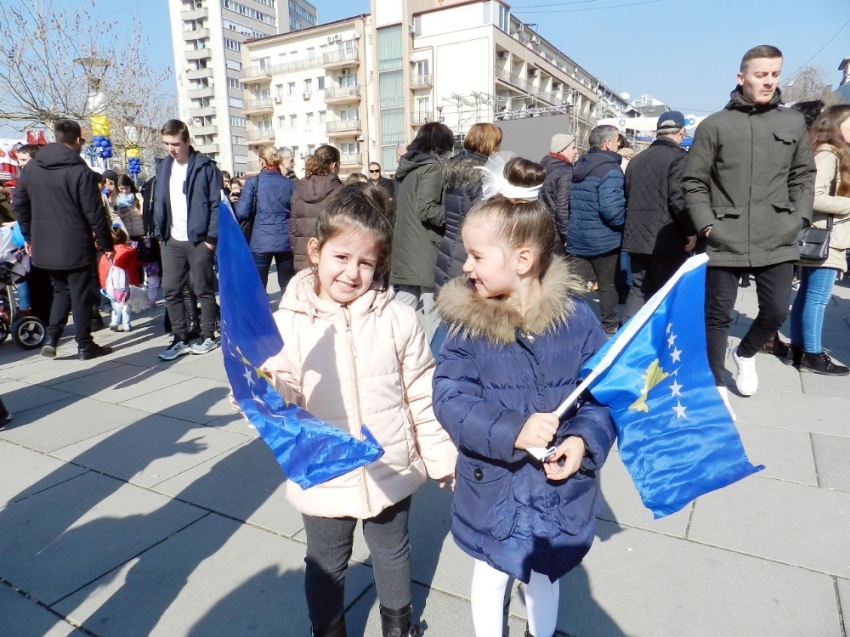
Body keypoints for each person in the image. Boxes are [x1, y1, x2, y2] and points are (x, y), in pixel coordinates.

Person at [260, 183, 457, 637]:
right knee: (326, 561)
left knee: (392, 551)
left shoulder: (398, 318)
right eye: (341, 257)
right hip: (325, 467)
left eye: (365, 262)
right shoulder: (289, 322)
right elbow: (283, 381)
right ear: (316, 251)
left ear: (379, 265)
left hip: (388, 460)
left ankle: (399, 625)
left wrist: (440, 456)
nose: (352, 272)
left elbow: (422, 392)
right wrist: (267, 389)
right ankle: (327, 630)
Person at [433, 156, 615, 637]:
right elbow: (451, 397)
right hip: (493, 485)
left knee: (544, 574)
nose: (465, 266)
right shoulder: (465, 325)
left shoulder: (577, 321)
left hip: (557, 488)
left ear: (522, 260)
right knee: (491, 573)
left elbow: (601, 397)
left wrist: (582, 442)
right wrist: (513, 430)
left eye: (476, 255)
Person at [682, 45, 815, 402]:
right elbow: (693, 181)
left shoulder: (791, 122)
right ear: (742, 78)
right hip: (725, 235)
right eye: (761, 75)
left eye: (774, 74)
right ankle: (716, 384)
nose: (769, 82)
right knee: (717, 316)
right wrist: (708, 227)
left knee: (775, 310)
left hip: (778, 234)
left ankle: (745, 353)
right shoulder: (715, 126)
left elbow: (804, 175)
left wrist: (799, 217)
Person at [13, 119, 114, 360]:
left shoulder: (32, 169)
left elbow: (19, 204)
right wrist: (106, 244)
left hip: (44, 244)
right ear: (78, 140)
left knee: (61, 291)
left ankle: (51, 338)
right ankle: (84, 343)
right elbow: (95, 213)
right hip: (75, 242)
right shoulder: (80, 171)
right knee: (79, 294)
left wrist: (28, 235)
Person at [785, 105, 850, 375]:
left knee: (807, 295)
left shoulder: (831, 153)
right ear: (836, 125)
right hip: (827, 239)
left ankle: (799, 348)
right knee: (818, 298)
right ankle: (812, 354)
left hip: (825, 236)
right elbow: (813, 197)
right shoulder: (828, 154)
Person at [153, 119, 222, 360]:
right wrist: (159, 233)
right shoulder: (163, 167)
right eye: (166, 144)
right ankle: (180, 337)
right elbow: (158, 202)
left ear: (187, 141)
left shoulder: (205, 167)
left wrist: (211, 237)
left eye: (175, 144)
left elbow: (216, 204)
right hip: (171, 238)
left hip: (199, 239)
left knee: (202, 289)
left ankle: (208, 335)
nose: (171, 149)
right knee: (171, 290)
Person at [621, 110, 697, 321]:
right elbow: (679, 199)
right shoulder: (680, 158)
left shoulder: (636, 160)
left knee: (638, 289)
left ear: (657, 132)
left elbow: (627, 194)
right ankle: (659, 340)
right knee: (666, 291)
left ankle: (627, 338)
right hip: (667, 238)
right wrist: (691, 231)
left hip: (635, 236)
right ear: (681, 131)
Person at [390, 122, 454, 338]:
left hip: (408, 244)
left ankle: (380, 344)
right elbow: (427, 209)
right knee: (434, 310)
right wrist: (454, 218)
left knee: (404, 301)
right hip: (426, 246)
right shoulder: (432, 167)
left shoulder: (410, 167)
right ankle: (433, 360)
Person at [567, 124, 626, 335]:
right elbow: (611, 209)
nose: (619, 143)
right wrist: (622, 223)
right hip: (604, 238)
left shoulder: (578, 166)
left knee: (576, 286)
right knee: (608, 285)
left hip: (578, 235)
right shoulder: (611, 169)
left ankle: (570, 324)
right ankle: (609, 327)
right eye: (617, 139)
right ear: (608, 143)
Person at [434, 122, 502, 291]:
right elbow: (486, 219)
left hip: (450, 248)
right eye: (497, 143)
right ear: (490, 144)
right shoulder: (484, 174)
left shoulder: (454, 169)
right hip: (468, 255)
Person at [235, 146, 296, 293]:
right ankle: (287, 314)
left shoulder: (253, 182)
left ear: (261, 161)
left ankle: (262, 315)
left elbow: (242, 212)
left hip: (260, 240)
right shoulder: (289, 184)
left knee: (259, 286)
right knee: (286, 285)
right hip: (285, 240)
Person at [290, 144, 343, 272]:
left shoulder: (298, 189)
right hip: (332, 258)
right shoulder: (340, 191)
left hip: (304, 256)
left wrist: (297, 252)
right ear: (334, 165)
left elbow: (293, 230)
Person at [98, 226, 142, 332]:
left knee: (116, 304)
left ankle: (115, 322)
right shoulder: (130, 252)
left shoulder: (105, 256)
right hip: (129, 285)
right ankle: (126, 324)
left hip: (111, 287)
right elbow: (139, 264)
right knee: (126, 306)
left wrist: (104, 286)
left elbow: (102, 272)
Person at [539, 132, 577, 252]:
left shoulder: (541, 167)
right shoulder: (565, 171)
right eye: (573, 148)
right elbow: (562, 207)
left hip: (541, 227)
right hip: (557, 234)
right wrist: (567, 235)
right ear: (561, 150)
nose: (576, 152)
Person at [112, 174, 145, 239]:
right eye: (121, 188)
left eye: (127, 188)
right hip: (124, 235)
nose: (124, 191)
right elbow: (114, 217)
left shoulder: (136, 197)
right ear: (117, 187)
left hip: (140, 233)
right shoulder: (113, 198)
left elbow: (143, 214)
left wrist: (141, 201)